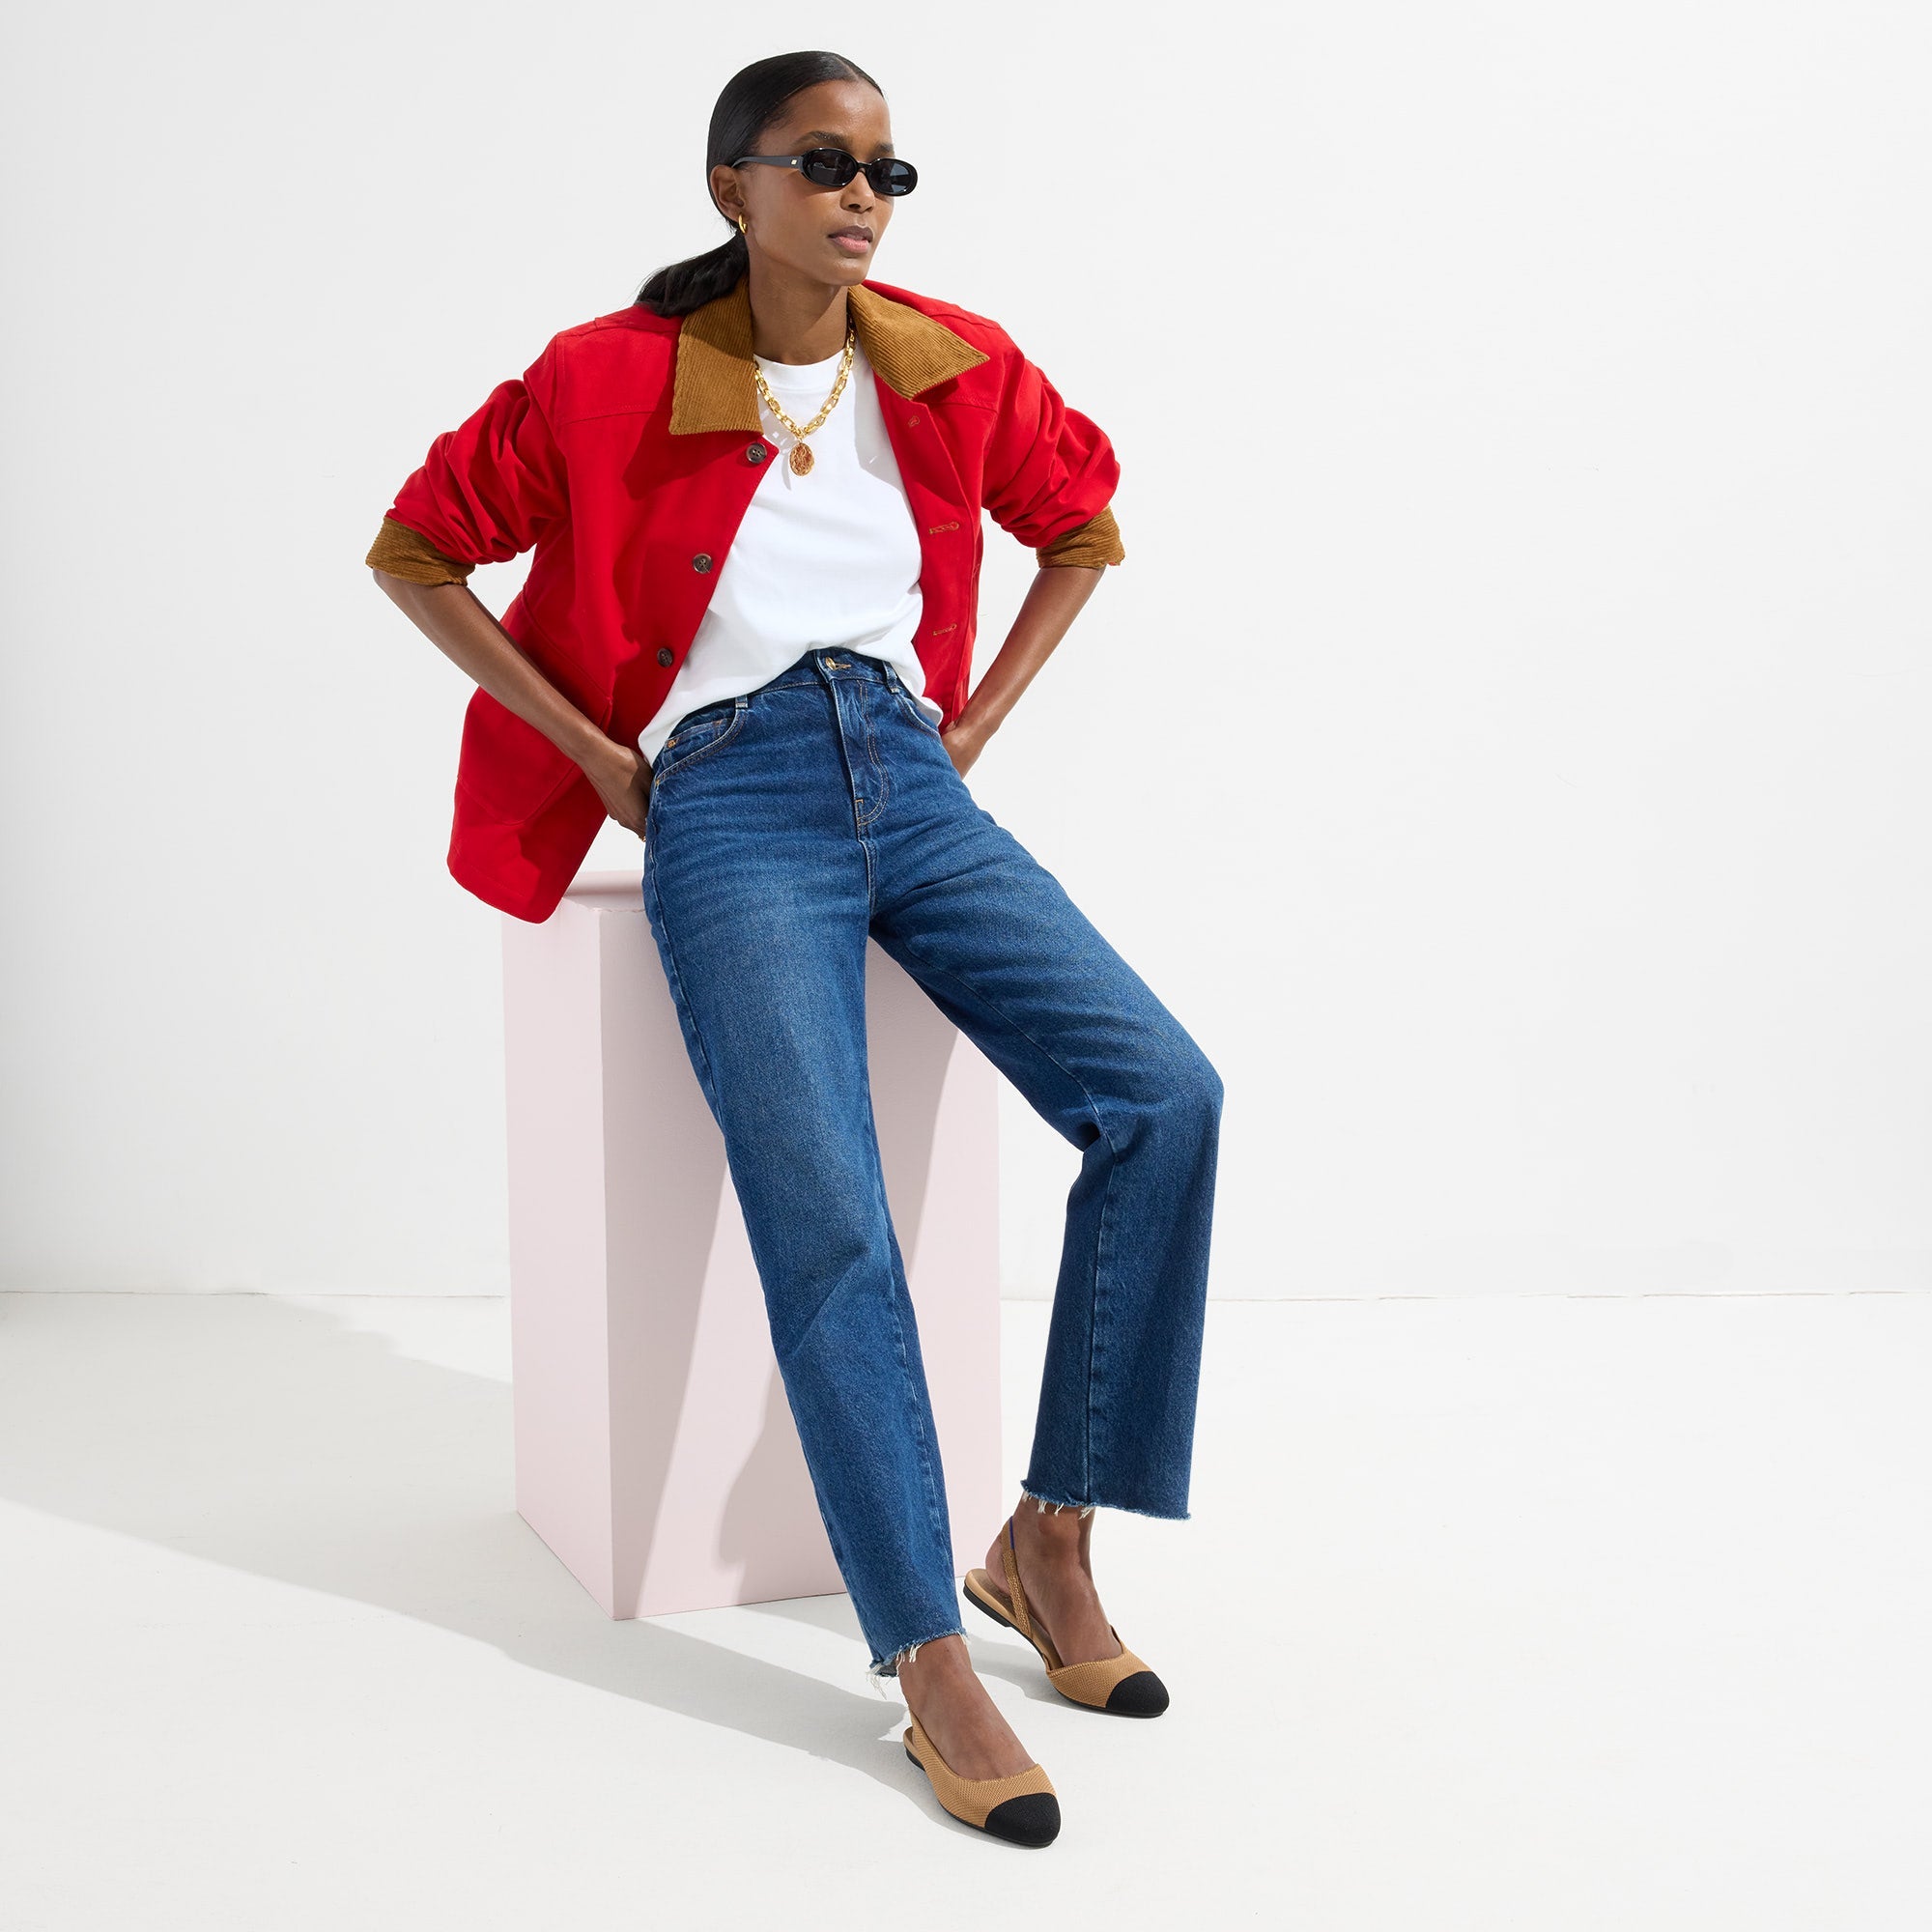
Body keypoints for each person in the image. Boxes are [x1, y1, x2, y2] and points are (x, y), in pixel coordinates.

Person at [366, 49, 1223, 1848]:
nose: (863, 197)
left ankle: (1046, 1539)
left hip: (910, 776)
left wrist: (973, 726)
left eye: (888, 171)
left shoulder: (950, 360)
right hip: (731, 800)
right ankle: (924, 1650)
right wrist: (602, 759)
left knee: (1163, 1096)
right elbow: (418, 547)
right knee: (829, 1212)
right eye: (826, 163)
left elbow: (1083, 522)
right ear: (733, 187)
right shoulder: (607, 377)